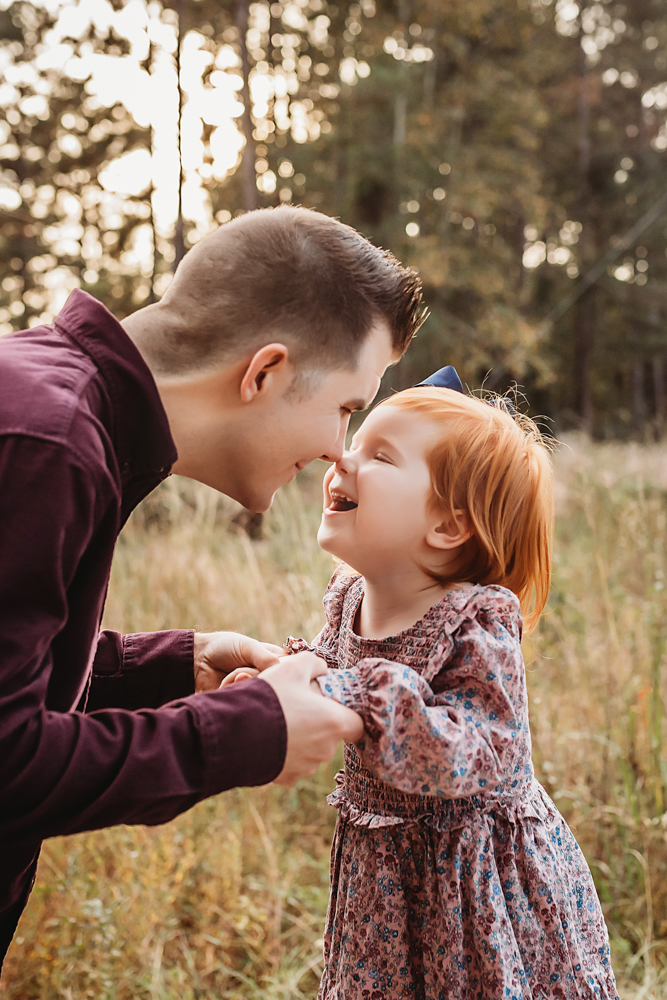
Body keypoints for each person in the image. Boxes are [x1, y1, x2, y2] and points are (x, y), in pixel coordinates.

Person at [0, 205, 425, 965]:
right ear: (263, 372)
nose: (338, 451)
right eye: (344, 410)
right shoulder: (48, 442)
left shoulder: (55, 410)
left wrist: (162, 667)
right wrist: (248, 733)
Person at [229, 378, 620, 998]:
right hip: (383, 877)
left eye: (379, 456)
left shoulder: (476, 618)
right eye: (354, 443)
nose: (342, 458)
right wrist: (280, 681)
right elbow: (335, 679)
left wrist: (357, 697)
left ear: (446, 526)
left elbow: (481, 749)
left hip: (471, 882)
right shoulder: (349, 597)